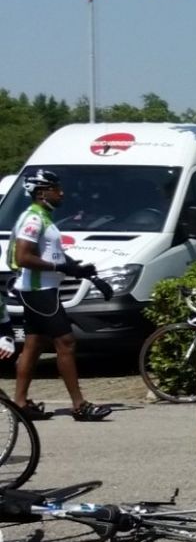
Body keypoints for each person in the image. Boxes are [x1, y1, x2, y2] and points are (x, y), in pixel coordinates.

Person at [9, 169, 106, 421]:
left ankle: (19, 403)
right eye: (56, 189)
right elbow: (23, 257)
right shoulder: (33, 219)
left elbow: (52, 254)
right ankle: (79, 405)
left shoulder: (42, 217)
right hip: (39, 291)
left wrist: (80, 271)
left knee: (33, 345)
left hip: (40, 290)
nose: (61, 193)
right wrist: (60, 267)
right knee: (66, 342)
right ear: (42, 193)